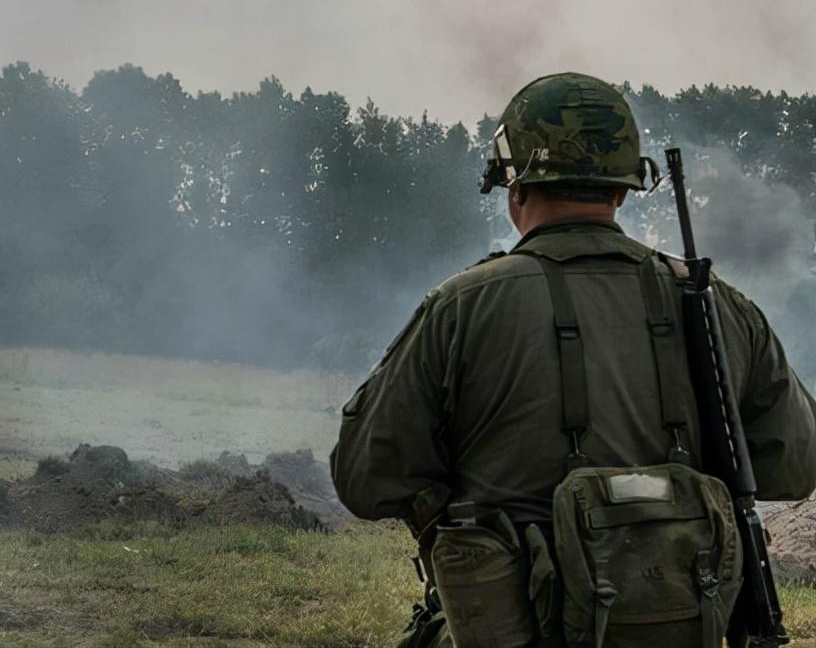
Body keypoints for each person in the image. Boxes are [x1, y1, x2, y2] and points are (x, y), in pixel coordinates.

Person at [330, 72, 816, 647]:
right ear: (622, 189)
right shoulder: (716, 305)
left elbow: (367, 478)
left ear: (515, 187)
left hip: (513, 628)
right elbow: (793, 468)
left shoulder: (463, 306)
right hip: (685, 623)